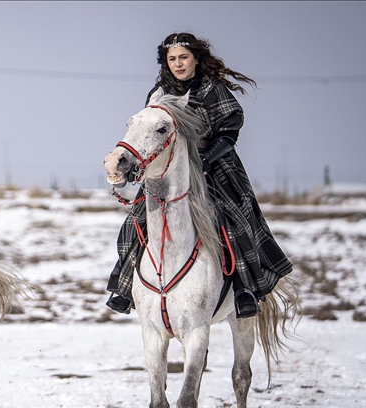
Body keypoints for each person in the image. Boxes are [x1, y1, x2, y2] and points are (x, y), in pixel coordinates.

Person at [106, 32, 293, 319]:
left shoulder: (212, 89)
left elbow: (230, 129)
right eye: (172, 59)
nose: (178, 64)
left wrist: (206, 157)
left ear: (195, 59)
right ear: (165, 63)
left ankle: (245, 291)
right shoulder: (158, 93)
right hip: (170, 170)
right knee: (134, 223)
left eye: (183, 57)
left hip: (214, 167)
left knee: (235, 222)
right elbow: (149, 134)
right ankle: (125, 286)